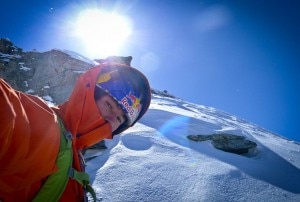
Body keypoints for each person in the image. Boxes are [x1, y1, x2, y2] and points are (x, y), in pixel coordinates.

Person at [0, 61, 151, 201]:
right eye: (109, 105)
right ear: (90, 93)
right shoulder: (43, 122)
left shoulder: (75, 149)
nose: (112, 119)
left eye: (119, 119)